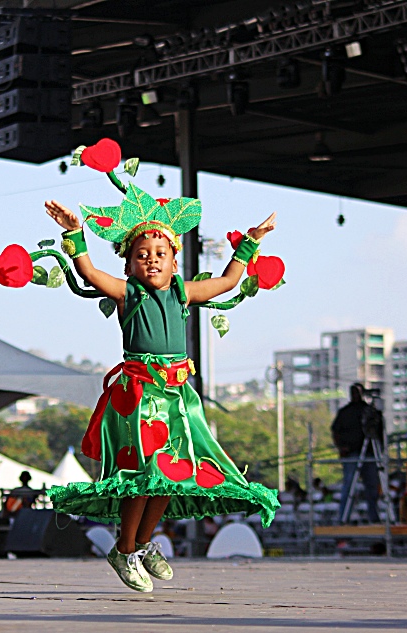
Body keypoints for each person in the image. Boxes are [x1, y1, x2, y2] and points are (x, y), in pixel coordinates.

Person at [34, 148, 280, 594]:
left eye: (161, 253)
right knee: (144, 475)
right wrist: (76, 234)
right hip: (139, 396)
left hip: (178, 395)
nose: (152, 259)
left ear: (175, 260)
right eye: (142, 254)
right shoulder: (128, 294)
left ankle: (142, 543)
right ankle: (125, 549)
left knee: (177, 470)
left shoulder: (184, 292)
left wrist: (251, 242)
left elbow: (227, 282)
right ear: (129, 264)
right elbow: (89, 274)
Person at [331, 383, 380, 524]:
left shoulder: (369, 411)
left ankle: (374, 517)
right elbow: (335, 431)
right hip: (351, 453)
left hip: (369, 453)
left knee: (372, 486)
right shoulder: (345, 412)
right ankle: (343, 517)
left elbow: (378, 431)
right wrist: (341, 448)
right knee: (348, 485)